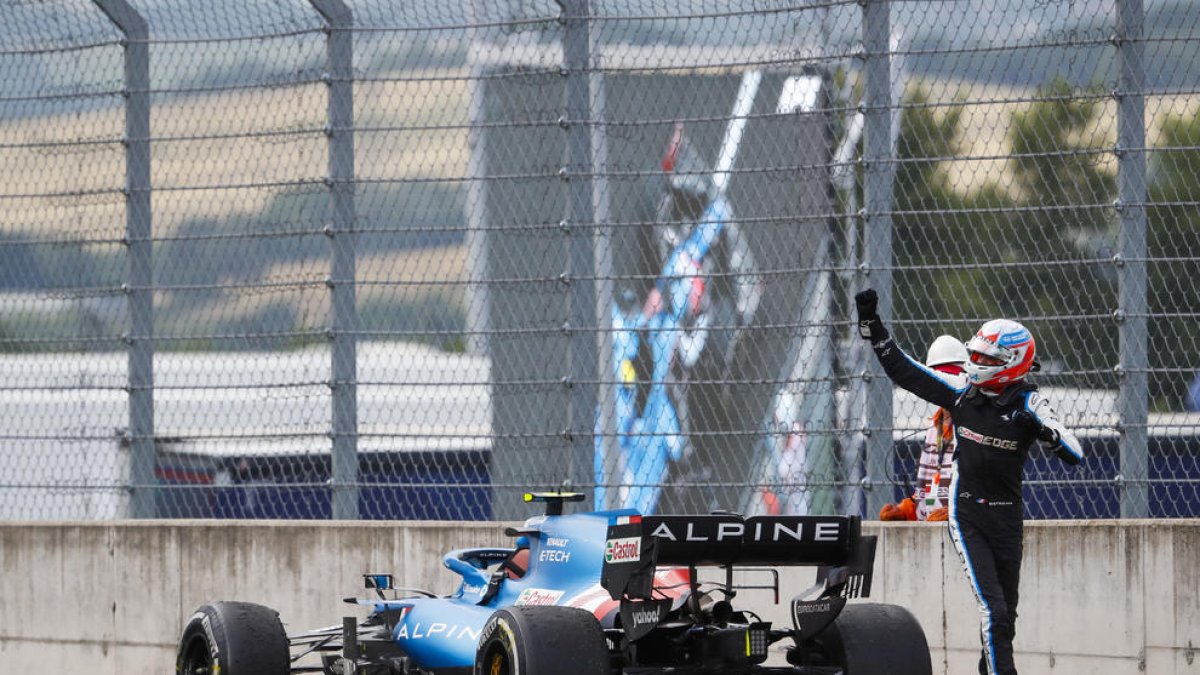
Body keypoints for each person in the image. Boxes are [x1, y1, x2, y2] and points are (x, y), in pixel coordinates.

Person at [854, 288, 1083, 675]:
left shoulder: (1030, 403)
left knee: (1006, 615)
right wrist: (873, 327)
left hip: (1007, 518)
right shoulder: (961, 393)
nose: (976, 363)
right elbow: (906, 371)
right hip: (966, 515)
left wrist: (1047, 435)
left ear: (1012, 363)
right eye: (974, 354)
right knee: (993, 610)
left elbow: (1075, 452)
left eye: (987, 358)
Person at [878, 334, 968, 522]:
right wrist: (906, 511)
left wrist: (956, 514)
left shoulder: (973, 427)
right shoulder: (934, 429)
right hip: (932, 529)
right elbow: (926, 489)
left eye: (951, 379)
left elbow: (985, 494)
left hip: (963, 531)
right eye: (940, 380)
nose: (946, 387)